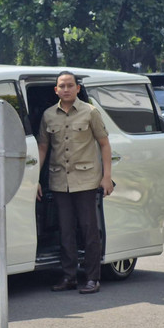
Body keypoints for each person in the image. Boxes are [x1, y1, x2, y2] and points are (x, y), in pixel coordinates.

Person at [37, 71, 114, 295]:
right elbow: (42, 147)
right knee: (65, 230)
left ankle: (92, 278)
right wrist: (35, 179)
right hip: (59, 180)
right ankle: (69, 276)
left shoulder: (90, 112)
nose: (66, 89)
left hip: (87, 181)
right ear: (56, 90)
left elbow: (104, 144)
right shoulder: (48, 115)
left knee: (89, 230)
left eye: (70, 85)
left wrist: (106, 176)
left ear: (78, 88)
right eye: (62, 86)